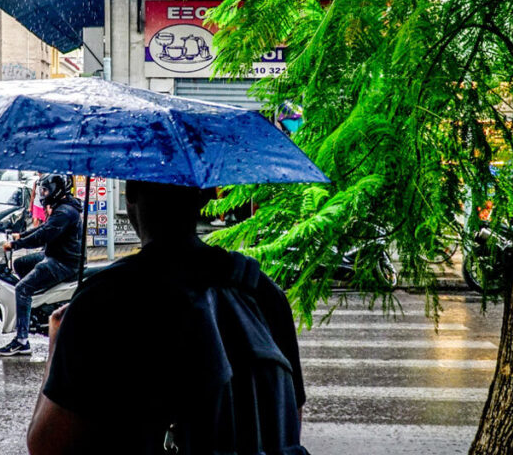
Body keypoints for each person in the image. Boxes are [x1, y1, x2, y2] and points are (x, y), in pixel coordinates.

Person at [27, 181, 306, 453]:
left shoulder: (103, 300)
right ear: (206, 195)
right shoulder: (262, 292)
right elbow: (289, 421)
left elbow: (47, 445)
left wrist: (55, 347)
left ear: (131, 193)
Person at [0, 174, 83, 356]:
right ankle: (33, 304)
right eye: (42, 190)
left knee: (22, 289)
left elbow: (43, 237)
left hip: (63, 262)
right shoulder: (62, 206)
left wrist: (15, 244)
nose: (43, 194)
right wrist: (21, 235)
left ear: (56, 190)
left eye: (46, 190)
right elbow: (44, 229)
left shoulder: (64, 212)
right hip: (56, 255)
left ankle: (21, 341)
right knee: (20, 263)